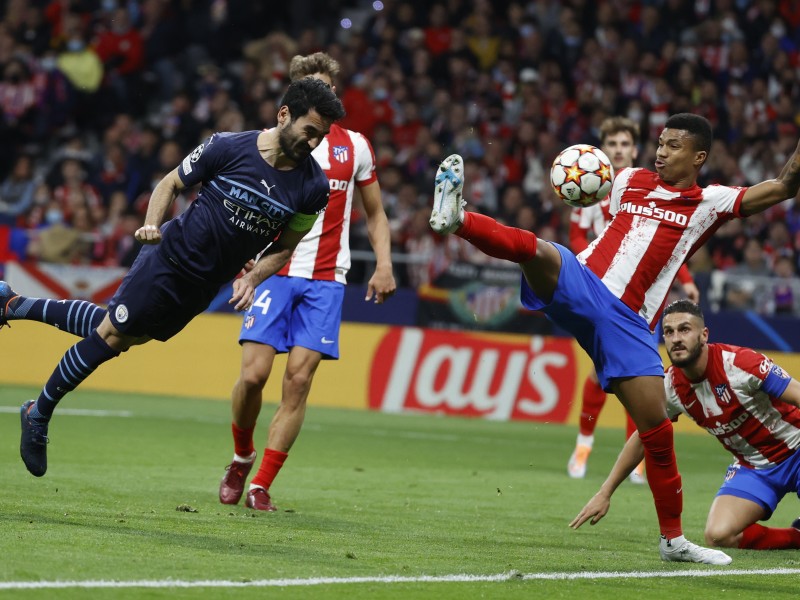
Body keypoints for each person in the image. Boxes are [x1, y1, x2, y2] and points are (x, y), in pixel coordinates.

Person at [429, 112, 800, 564]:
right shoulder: (628, 180)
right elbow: (590, 201)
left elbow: (782, 187)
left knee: (657, 431)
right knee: (536, 249)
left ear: (698, 156)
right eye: (660, 143)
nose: (661, 151)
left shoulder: (709, 201)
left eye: (674, 145)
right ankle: (458, 219)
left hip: (628, 320)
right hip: (584, 280)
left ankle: (673, 542)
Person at [1, 77, 346, 478]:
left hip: (205, 284)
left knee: (125, 333)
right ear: (284, 115)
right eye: (309, 132)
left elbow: (285, 247)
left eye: (321, 137)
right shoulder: (227, 146)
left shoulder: (314, 187)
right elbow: (171, 183)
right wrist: (151, 224)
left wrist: (252, 279)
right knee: (113, 335)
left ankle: (13, 304)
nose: (314, 144)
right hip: (169, 258)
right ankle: (38, 413)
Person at [217, 52, 397, 512]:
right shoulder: (272, 143)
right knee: (254, 375)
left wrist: (384, 264)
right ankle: (241, 454)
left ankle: (260, 484)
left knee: (298, 381)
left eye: (329, 89)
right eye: (314, 88)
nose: (324, 96)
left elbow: (375, 214)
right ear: (294, 97)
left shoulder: (354, 146)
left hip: (326, 279)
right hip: (274, 272)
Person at [571, 299, 800, 551]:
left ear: (703, 335)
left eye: (684, 329)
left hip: (796, 449)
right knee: (718, 536)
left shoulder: (740, 364)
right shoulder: (669, 387)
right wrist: (605, 492)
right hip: (755, 468)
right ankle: (796, 536)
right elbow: (642, 437)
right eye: (669, 332)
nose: (676, 338)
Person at [566, 116, 700, 483]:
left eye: (625, 145)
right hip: (602, 289)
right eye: (613, 145)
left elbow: (667, 246)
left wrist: (686, 280)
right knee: (605, 372)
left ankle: (634, 455)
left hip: (641, 297)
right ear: (604, 149)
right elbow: (577, 236)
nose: (619, 150)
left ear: (634, 149)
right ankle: (584, 443)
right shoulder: (592, 185)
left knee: (637, 377)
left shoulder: (652, 187)